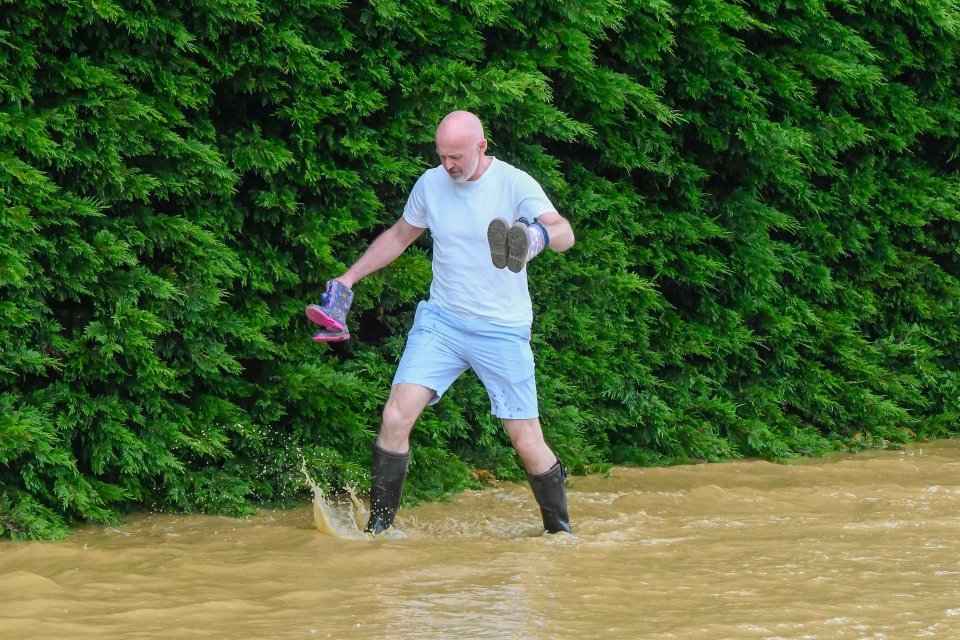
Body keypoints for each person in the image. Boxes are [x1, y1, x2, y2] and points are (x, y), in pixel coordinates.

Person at [306, 110, 576, 535]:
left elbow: (564, 232)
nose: (448, 165)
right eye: (442, 155)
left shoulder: (513, 183)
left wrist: (538, 237)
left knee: (526, 441)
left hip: (501, 328)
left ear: (481, 147)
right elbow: (399, 235)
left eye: (456, 157)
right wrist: (348, 278)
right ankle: (378, 532)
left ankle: (560, 533)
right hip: (443, 322)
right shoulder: (432, 184)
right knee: (395, 417)